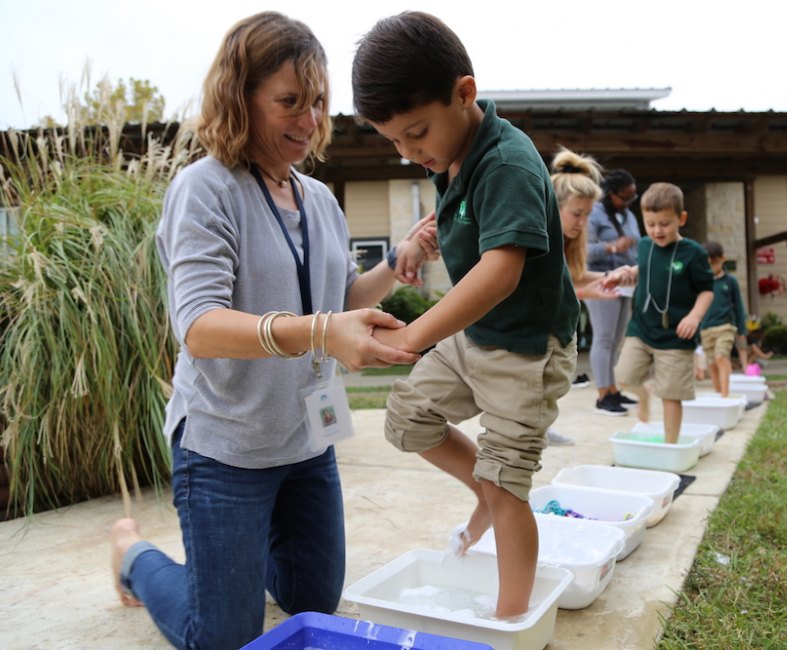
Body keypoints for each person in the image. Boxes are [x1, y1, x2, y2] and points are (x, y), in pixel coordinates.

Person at [108, 13, 436, 649]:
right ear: (240, 97)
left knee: (311, 603)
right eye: (289, 101)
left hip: (306, 440)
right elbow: (200, 327)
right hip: (225, 447)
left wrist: (397, 263)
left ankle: (233, 555)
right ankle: (135, 555)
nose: (309, 121)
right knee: (223, 637)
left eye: (317, 102)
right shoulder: (204, 190)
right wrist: (321, 330)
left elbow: (335, 300)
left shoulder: (319, 198)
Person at [352, 11, 579, 618]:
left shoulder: (505, 161)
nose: (407, 152)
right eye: (394, 140)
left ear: (465, 93)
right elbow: (461, 233)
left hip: (527, 350)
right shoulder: (449, 159)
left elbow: (499, 272)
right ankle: (487, 486)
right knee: (406, 419)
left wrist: (414, 335)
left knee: (509, 487)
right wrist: (416, 242)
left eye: (416, 132)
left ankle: (509, 620)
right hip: (475, 339)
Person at [604, 182, 714, 444]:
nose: (657, 230)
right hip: (642, 329)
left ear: (681, 219)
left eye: (664, 224)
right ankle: (643, 394)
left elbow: (707, 290)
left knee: (671, 393)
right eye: (651, 223)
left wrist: (694, 316)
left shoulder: (693, 253)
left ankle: (670, 444)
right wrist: (629, 273)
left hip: (676, 335)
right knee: (623, 375)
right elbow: (646, 267)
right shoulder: (645, 245)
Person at [544, 147, 627, 445]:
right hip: (526, 326)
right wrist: (585, 291)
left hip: (551, 324)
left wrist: (609, 276)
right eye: (577, 214)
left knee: (551, 377)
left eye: (587, 215)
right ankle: (530, 431)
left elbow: (571, 275)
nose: (583, 223)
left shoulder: (569, 240)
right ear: (554, 206)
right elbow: (541, 289)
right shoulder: (538, 239)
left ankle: (537, 428)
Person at [585, 169, 644, 415]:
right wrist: (611, 247)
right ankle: (602, 396)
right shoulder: (594, 214)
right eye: (625, 196)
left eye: (633, 197)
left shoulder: (628, 215)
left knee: (616, 340)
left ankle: (612, 390)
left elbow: (638, 243)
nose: (629, 201)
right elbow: (583, 250)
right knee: (604, 338)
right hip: (601, 279)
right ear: (610, 194)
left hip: (626, 281)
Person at [700, 241, 749, 397]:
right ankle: (718, 392)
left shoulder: (730, 281)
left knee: (721, 356)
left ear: (722, 259)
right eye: (707, 264)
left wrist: (741, 330)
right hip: (706, 329)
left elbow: (739, 307)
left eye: (714, 263)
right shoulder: (701, 283)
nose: (711, 267)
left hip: (725, 327)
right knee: (712, 364)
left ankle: (725, 395)